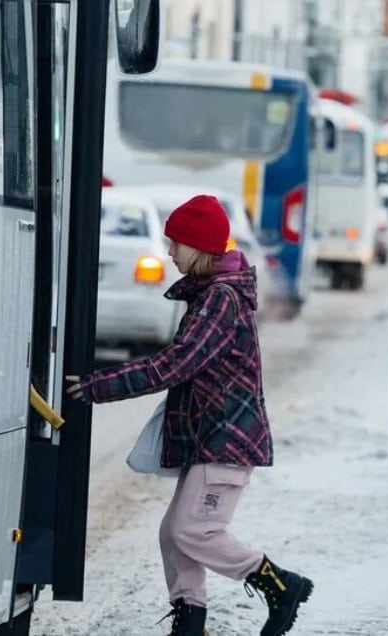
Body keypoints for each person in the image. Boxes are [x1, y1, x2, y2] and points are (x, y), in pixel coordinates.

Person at [65, 195, 313, 636]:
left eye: (176, 244)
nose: (170, 253)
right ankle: (190, 617)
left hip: (228, 438)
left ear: (198, 248)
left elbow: (175, 364)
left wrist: (98, 385)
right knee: (174, 533)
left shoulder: (221, 298)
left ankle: (279, 584)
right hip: (211, 436)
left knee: (193, 530)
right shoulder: (212, 295)